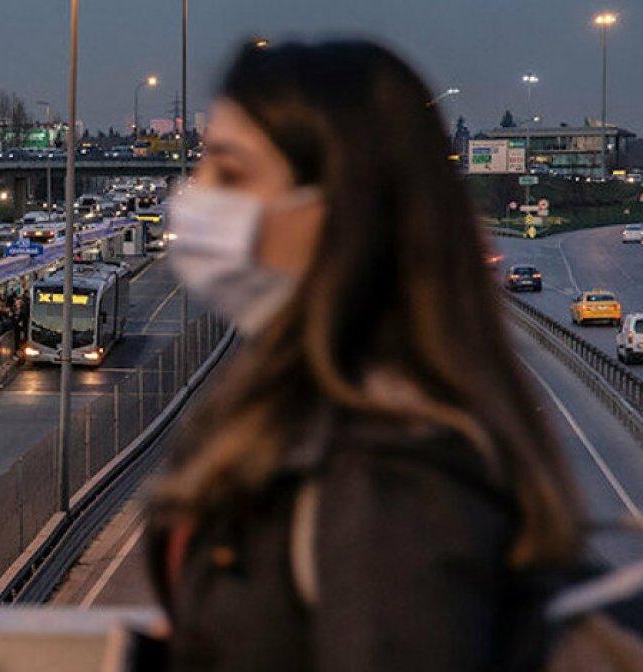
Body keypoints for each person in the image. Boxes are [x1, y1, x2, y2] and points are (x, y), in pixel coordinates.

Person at [147, 40, 584, 671]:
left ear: (340, 213)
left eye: (232, 174)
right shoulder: (295, 410)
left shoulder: (393, 487)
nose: (193, 199)